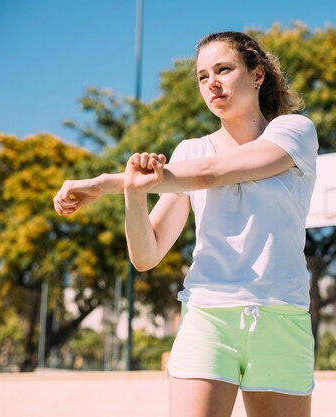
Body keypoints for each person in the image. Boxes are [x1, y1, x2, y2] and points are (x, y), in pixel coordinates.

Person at [53, 31, 318, 417]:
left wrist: (102, 183)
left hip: (281, 317)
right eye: (202, 76)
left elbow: (215, 172)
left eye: (223, 70)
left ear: (257, 74)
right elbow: (146, 256)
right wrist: (131, 190)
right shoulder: (189, 153)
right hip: (208, 316)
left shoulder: (294, 131)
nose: (211, 83)